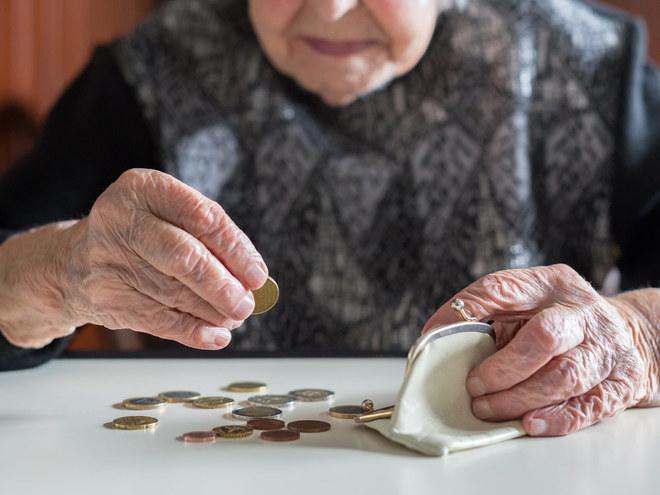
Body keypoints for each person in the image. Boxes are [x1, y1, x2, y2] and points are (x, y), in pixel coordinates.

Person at [0, 0, 658, 437]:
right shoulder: (145, 77)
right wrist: (59, 270)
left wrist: (638, 332)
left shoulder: (592, 69)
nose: (333, 7)